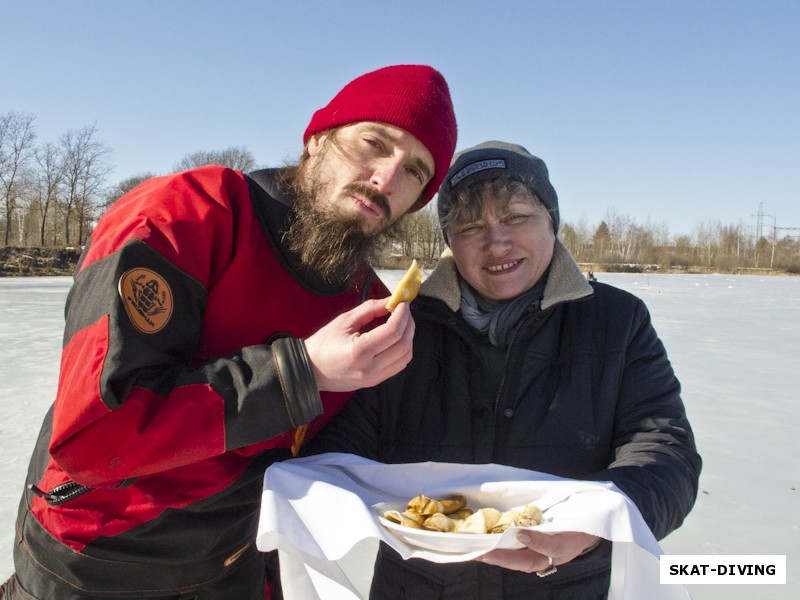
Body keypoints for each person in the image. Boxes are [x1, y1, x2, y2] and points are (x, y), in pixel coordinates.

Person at [1, 65, 457, 600]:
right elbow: (95, 434)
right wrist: (302, 373)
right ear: (316, 141)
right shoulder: (188, 214)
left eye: (415, 173)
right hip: (97, 567)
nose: (386, 179)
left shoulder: (368, 303)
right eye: (373, 142)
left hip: (235, 569)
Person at [302, 141, 701, 599]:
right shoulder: (404, 327)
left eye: (516, 217)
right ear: (449, 241)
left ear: (552, 220)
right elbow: (339, 452)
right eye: (471, 226)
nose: (497, 242)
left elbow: (665, 455)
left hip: (567, 585)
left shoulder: (617, 322)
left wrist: (595, 528)